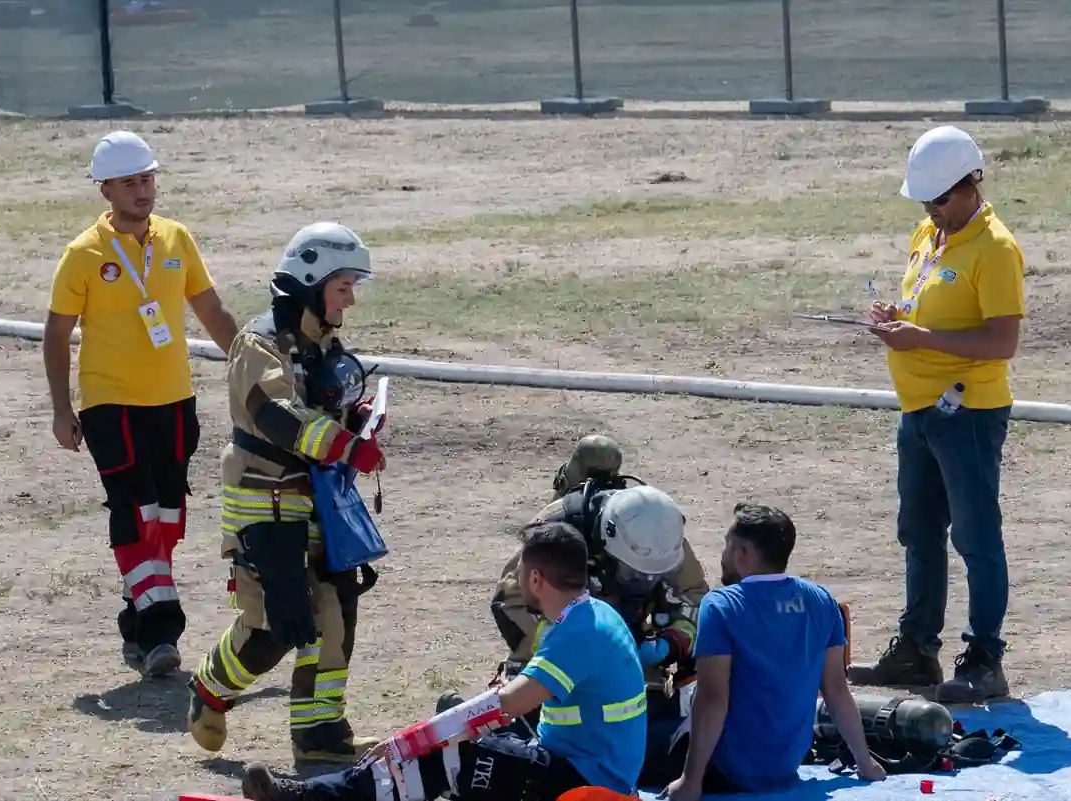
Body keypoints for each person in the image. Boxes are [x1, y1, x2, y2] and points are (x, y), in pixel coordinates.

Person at [240, 520, 649, 801]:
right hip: (586, 766)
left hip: (585, 785)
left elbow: (509, 705)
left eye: (521, 571)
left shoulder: (578, 632)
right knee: (455, 733)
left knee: (446, 754)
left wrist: (409, 740)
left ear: (536, 579)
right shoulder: (590, 614)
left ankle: (314, 796)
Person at [185, 222, 389, 763]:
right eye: (343, 285)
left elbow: (320, 406)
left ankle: (319, 737)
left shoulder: (320, 341)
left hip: (318, 501)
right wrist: (347, 446)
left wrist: (355, 415)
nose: (350, 297)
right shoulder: (256, 344)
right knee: (279, 625)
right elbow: (279, 417)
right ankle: (209, 689)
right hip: (267, 504)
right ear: (310, 280)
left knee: (337, 610)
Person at [43, 130, 239, 678]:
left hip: (175, 402)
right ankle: (160, 632)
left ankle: (137, 616)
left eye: (148, 179)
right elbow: (56, 335)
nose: (142, 190)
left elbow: (213, 311)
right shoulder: (83, 254)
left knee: (167, 517)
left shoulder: (176, 238)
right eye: (129, 182)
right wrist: (63, 408)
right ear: (105, 189)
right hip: (111, 407)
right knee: (134, 511)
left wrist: (254, 366)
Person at [852, 125, 1025, 704]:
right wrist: (895, 315)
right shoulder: (929, 232)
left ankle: (984, 658)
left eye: (941, 199)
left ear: (969, 184)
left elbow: (1002, 342)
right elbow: (927, 299)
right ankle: (916, 651)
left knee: (976, 538)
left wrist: (920, 336)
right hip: (919, 408)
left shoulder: (996, 250)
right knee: (920, 532)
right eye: (926, 200)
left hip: (968, 412)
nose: (933, 209)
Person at [488, 436, 709, 786]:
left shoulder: (658, 528)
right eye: (632, 570)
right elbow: (510, 601)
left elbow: (696, 595)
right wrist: (566, 652)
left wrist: (673, 640)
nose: (642, 580)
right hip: (564, 648)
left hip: (632, 657)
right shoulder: (559, 523)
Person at [663, 504, 886, 801]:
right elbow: (835, 689)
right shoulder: (821, 601)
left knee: (645, 727)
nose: (723, 555)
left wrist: (691, 781)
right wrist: (865, 762)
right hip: (784, 766)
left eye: (728, 546)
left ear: (742, 553)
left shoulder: (721, 606)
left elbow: (713, 699)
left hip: (726, 770)